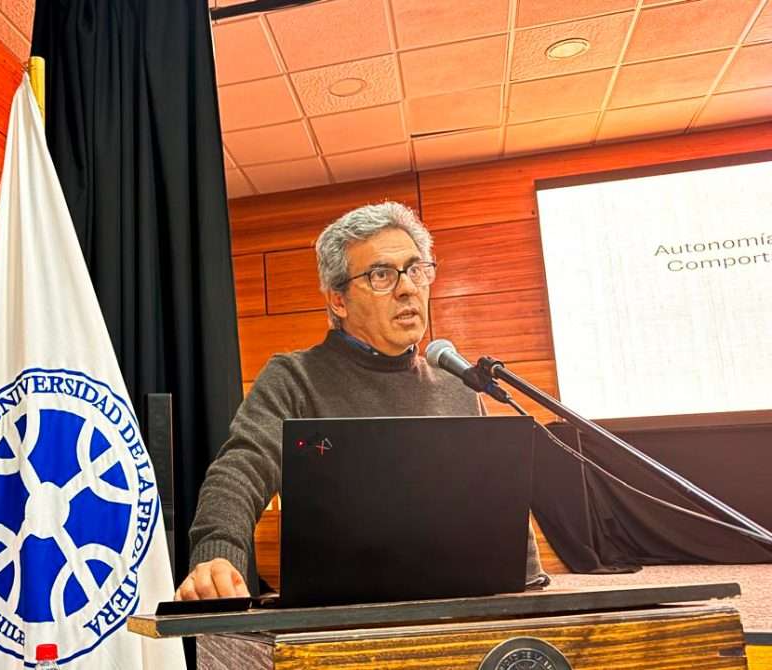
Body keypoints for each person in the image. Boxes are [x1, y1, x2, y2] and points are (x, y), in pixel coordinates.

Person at [176, 201, 548, 600]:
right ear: (338, 300)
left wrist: (528, 585)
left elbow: (497, 509)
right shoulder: (294, 379)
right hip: (339, 623)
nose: (407, 288)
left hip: (456, 614)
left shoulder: (457, 386)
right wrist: (217, 555)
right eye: (381, 275)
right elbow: (240, 470)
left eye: (416, 270)